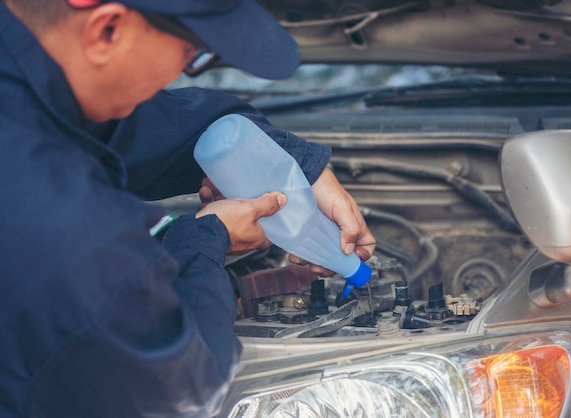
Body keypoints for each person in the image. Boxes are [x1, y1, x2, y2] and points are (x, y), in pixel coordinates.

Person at [0, 0, 375, 417]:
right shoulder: (60, 226)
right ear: (107, 30)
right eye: (191, 53)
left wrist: (302, 166)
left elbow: (136, 127)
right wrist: (203, 239)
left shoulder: (24, 72)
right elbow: (176, 386)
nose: (181, 70)